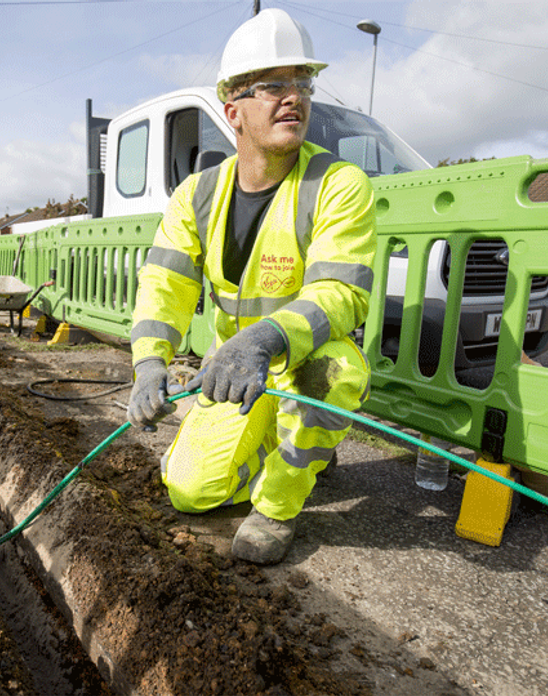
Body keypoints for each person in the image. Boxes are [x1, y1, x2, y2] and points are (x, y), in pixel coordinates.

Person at [127, 9, 376, 565]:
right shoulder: (196, 195)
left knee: (338, 370)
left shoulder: (337, 184)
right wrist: (148, 362)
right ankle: (294, 444)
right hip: (231, 368)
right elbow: (163, 285)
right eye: (273, 86)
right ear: (233, 109)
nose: (294, 98)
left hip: (298, 358)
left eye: (302, 83)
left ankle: (278, 505)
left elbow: (341, 292)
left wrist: (264, 339)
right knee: (190, 492)